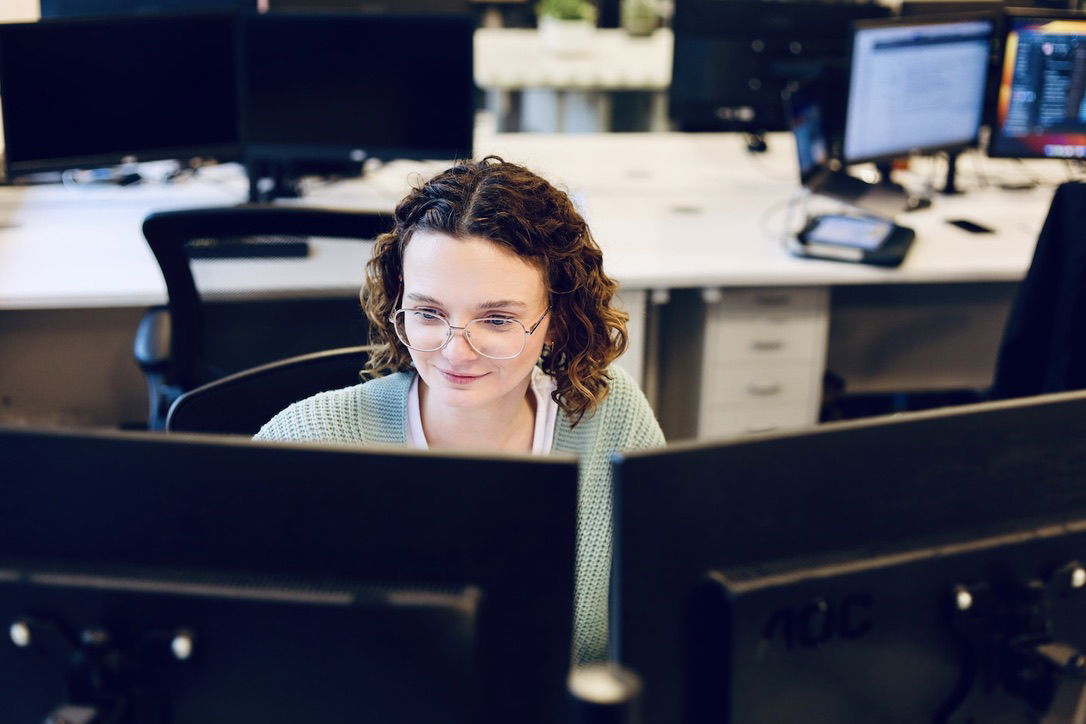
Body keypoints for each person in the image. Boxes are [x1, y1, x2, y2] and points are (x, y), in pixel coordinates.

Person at [255, 156, 665, 665]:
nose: (456, 351)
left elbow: (658, 630)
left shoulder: (610, 416)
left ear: (556, 322)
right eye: (429, 313)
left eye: (496, 319)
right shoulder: (308, 439)